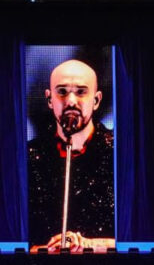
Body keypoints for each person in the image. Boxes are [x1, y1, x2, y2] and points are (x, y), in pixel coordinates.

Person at [27, 58, 115, 252]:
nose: (71, 101)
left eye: (81, 92)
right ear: (49, 99)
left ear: (96, 100)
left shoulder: (119, 155)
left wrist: (89, 245)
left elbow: (139, 237)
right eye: (62, 92)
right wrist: (45, 250)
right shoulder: (27, 158)